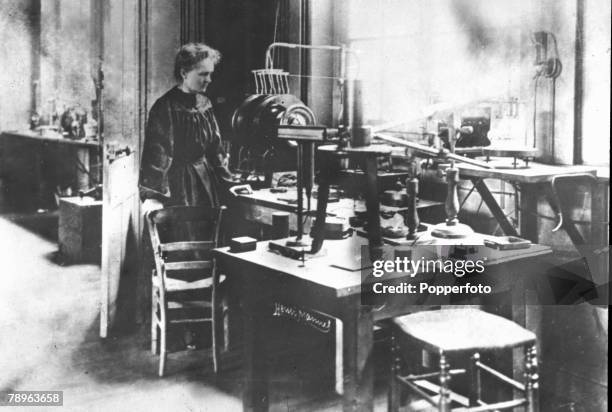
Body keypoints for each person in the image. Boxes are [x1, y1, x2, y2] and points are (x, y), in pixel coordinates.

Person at [139, 42, 231, 212]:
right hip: (178, 187)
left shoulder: (205, 104)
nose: (209, 80)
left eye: (210, 74)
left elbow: (215, 149)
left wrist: (227, 181)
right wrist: (154, 196)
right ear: (184, 73)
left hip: (206, 182)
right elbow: (157, 154)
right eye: (203, 74)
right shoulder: (165, 107)